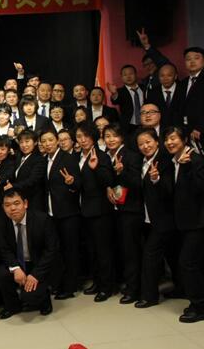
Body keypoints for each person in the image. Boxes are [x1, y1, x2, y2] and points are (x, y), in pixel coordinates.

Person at [0, 189, 59, 319]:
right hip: (19, 263)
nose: (12, 208)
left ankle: (45, 300)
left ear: (25, 204)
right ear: (3, 207)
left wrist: (35, 274)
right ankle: (12, 306)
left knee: (30, 297)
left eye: (16, 203)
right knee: (1, 274)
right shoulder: (2, 222)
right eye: (7, 205)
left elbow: (52, 250)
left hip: (39, 265)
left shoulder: (42, 219)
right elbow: (4, 249)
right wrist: (16, 268)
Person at [134, 128, 179, 309]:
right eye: (141, 144)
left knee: (150, 256)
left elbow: (170, 190)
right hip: (149, 218)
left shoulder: (165, 160)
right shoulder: (143, 161)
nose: (145, 146)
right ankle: (181, 288)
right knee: (172, 255)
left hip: (164, 219)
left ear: (156, 141)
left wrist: (156, 179)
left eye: (148, 142)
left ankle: (150, 296)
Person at [164, 126, 204, 322]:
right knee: (192, 263)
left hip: (198, 222)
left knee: (188, 263)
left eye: (173, 138)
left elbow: (200, 189)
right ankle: (196, 301)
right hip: (184, 222)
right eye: (167, 139)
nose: (169, 142)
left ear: (184, 140)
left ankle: (199, 306)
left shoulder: (195, 160)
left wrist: (187, 168)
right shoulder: (175, 161)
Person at [104, 123, 144, 305]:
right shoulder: (107, 156)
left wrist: (122, 172)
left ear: (121, 138)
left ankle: (134, 289)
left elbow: (137, 183)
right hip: (116, 211)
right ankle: (127, 284)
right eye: (107, 136)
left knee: (131, 251)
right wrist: (108, 187)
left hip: (131, 210)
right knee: (122, 249)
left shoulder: (131, 155)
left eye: (114, 136)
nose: (110, 139)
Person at [76, 123, 115, 302]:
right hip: (84, 210)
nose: (83, 140)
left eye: (86, 136)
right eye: (79, 136)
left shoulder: (101, 156)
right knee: (91, 250)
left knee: (103, 250)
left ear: (93, 137)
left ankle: (107, 287)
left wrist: (96, 168)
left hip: (100, 211)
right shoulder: (77, 156)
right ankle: (97, 282)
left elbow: (109, 180)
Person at [40, 130, 81, 300]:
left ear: (57, 141)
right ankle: (58, 283)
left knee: (70, 251)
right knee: (56, 251)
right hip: (51, 213)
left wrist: (72, 182)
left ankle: (70, 286)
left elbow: (78, 184)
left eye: (51, 140)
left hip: (68, 212)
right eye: (44, 141)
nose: (47, 143)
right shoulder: (44, 160)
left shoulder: (68, 158)